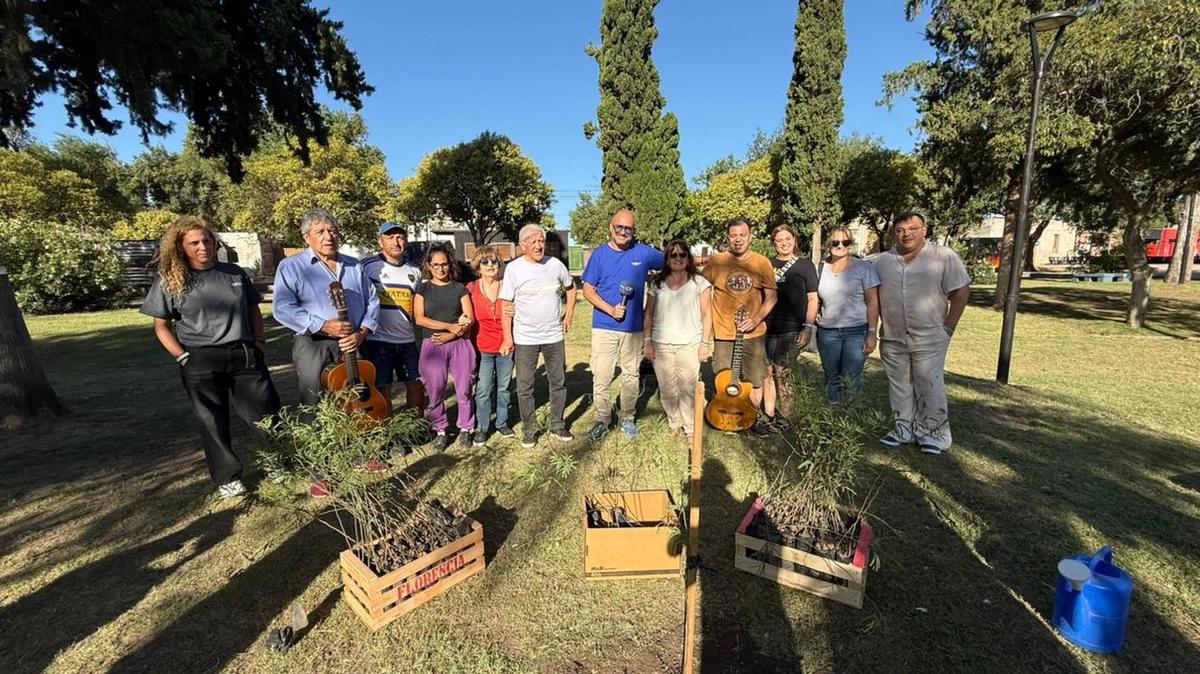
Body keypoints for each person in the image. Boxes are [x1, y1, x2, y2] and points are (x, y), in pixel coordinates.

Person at [141, 216, 280, 499]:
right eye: (194, 243)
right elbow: (161, 326)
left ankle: (277, 461)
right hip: (201, 359)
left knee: (264, 412)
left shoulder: (234, 273)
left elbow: (253, 308)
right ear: (181, 247)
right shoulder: (171, 280)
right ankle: (228, 477)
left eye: (207, 241)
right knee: (212, 421)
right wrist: (182, 357)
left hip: (244, 354)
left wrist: (259, 341)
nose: (202, 247)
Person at [874, 211, 971, 455]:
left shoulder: (943, 256)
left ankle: (934, 434)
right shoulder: (881, 262)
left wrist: (949, 327)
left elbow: (961, 290)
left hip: (930, 336)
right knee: (899, 386)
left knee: (929, 384)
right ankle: (903, 429)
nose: (906, 234)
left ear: (924, 230)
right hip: (893, 336)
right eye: (900, 230)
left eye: (912, 229)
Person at [272, 208, 379, 407]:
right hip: (314, 344)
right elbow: (283, 308)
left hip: (353, 343)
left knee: (357, 400)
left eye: (332, 231)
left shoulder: (354, 266)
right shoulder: (292, 266)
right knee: (315, 403)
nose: (328, 237)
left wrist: (362, 332)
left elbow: (372, 300)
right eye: (320, 232)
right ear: (306, 238)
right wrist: (322, 325)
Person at [580, 208, 663, 440]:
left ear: (633, 230)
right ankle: (602, 419)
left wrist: (656, 282)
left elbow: (675, 261)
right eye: (619, 227)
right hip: (604, 326)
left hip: (633, 328)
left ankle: (627, 418)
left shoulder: (644, 253)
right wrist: (610, 309)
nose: (623, 232)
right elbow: (588, 290)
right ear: (611, 227)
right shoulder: (599, 255)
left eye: (628, 229)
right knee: (602, 375)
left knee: (631, 375)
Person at [500, 224, 577, 448]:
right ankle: (530, 429)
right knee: (525, 386)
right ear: (522, 245)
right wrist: (507, 337)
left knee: (558, 382)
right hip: (525, 337)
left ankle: (557, 425)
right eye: (533, 242)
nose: (538, 246)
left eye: (541, 241)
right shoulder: (514, 269)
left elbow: (571, 288)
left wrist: (569, 314)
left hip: (554, 336)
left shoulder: (556, 265)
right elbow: (505, 304)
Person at [702, 217, 778, 435]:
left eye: (742, 235)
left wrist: (756, 319)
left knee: (755, 379)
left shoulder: (761, 262)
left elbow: (771, 297)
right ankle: (725, 412)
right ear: (728, 238)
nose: (738, 240)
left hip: (753, 334)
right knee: (723, 378)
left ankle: (753, 416)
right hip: (724, 333)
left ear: (750, 237)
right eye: (733, 235)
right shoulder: (717, 262)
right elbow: (700, 290)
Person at [643, 240, 712, 445]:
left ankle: (690, 429)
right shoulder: (657, 283)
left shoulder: (700, 282)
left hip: (690, 344)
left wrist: (705, 343)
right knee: (667, 389)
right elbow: (648, 314)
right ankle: (674, 423)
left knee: (688, 389)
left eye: (682, 255)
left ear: (688, 258)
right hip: (661, 343)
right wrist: (647, 341)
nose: (678, 258)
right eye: (673, 255)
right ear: (667, 259)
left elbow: (707, 314)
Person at [414, 243, 477, 451]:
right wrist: (449, 326)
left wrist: (452, 334)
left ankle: (465, 428)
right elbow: (420, 319)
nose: (440, 269)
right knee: (435, 390)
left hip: (459, 343)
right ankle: (440, 429)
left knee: (464, 389)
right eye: (436, 265)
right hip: (433, 345)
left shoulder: (459, 289)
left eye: (444, 264)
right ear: (428, 266)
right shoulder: (423, 289)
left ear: (450, 265)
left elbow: (469, 319)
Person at [361, 222, 424, 412]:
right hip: (378, 341)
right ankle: (387, 427)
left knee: (416, 384)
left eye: (400, 237)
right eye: (390, 237)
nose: (396, 242)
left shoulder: (415, 270)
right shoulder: (367, 266)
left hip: (407, 340)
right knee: (382, 388)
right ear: (380, 241)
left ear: (406, 241)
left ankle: (416, 424)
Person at [762, 224, 819, 433]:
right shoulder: (767, 264)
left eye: (788, 239)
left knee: (783, 371)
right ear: (773, 243)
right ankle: (768, 414)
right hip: (768, 326)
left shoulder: (805, 265)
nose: (784, 243)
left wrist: (808, 327)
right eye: (779, 240)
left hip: (792, 327)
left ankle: (786, 416)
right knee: (767, 371)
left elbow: (812, 299)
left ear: (794, 240)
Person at [815, 225, 880, 403]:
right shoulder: (820, 269)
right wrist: (815, 313)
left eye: (845, 242)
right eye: (835, 242)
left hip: (856, 332)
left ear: (851, 244)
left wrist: (872, 333)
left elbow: (873, 302)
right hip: (827, 332)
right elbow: (815, 297)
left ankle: (850, 413)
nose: (840, 246)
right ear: (829, 244)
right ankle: (833, 413)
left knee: (851, 378)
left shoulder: (864, 268)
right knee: (831, 377)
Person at [467, 245, 515, 445]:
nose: (490, 265)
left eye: (494, 261)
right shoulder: (471, 289)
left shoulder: (508, 286)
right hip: (482, 347)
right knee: (484, 389)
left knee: (504, 388)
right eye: (484, 262)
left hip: (506, 345)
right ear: (478, 266)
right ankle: (482, 427)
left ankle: (502, 422)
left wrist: (516, 309)